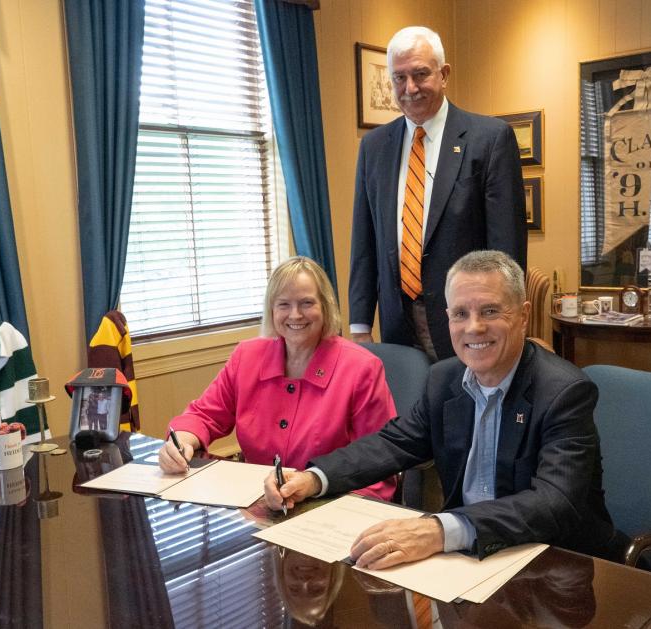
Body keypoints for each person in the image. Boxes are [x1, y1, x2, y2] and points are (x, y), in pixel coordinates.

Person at [266, 250, 624, 568]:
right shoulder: (444, 379)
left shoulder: (564, 391)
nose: (474, 327)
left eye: (490, 311)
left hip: (557, 563)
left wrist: (440, 530)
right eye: (460, 314)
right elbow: (394, 443)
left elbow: (555, 502)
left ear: (523, 315)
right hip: (467, 561)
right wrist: (314, 478)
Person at [349, 26, 527, 362]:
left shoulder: (489, 139)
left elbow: (507, 246)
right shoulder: (373, 147)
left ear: (443, 74)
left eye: (420, 74)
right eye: (399, 78)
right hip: (397, 322)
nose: (410, 88)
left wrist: (507, 319)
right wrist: (360, 322)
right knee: (409, 410)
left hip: (471, 321)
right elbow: (364, 241)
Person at [159, 256, 397, 501]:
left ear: (325, 307)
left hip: (329, 502)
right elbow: (203, 415)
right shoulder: (247, 357)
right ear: (271, 310)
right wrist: (181, 444)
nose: (295, 315)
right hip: (255, 501)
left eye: (306, 303)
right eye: (283, 304)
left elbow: (378, 460)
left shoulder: (361, 368)